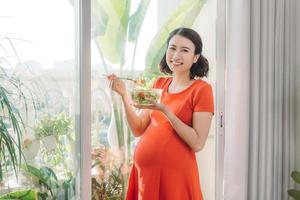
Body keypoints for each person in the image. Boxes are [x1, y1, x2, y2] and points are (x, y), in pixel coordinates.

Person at [107, 27, 214, 200]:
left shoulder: (202, 90)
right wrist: (124, 95)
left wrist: (166, 111)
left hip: (175, 178)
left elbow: (197, 143)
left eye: (184, 50)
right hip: (145, 175)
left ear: (195, 57)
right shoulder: (159, 84)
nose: (176, 55)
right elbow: (138, 129)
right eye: (172, 48)